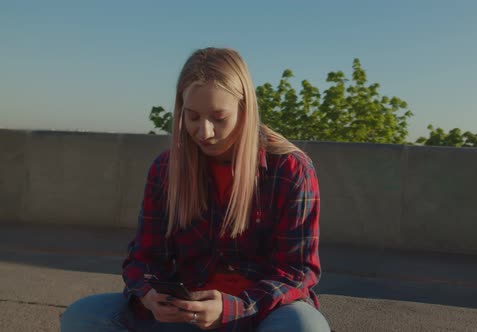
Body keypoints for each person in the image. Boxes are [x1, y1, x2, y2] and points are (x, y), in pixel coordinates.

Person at [60, 47, 331, 331]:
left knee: (304, 327)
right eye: (192, 117)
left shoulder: (291, 169)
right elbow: (144, 257)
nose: (204, 132)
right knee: (82, 316)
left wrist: (231, 308)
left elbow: (297, 272)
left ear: (245, 109)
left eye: (218, 117)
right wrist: (150, 294)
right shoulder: (166, 169)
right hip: (187, 312)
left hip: (262, 312)